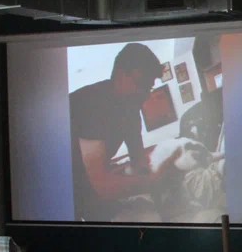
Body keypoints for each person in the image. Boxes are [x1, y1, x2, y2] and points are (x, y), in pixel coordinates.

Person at [69, 43, 186, 221]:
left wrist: (166, 167)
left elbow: (139, 162)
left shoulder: (131, 112)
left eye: (149, 88)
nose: (146, 95)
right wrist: (154, 181)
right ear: (121, 74)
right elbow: (103, 187)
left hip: (83, 187)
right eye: (142, 84)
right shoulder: (92, 104)